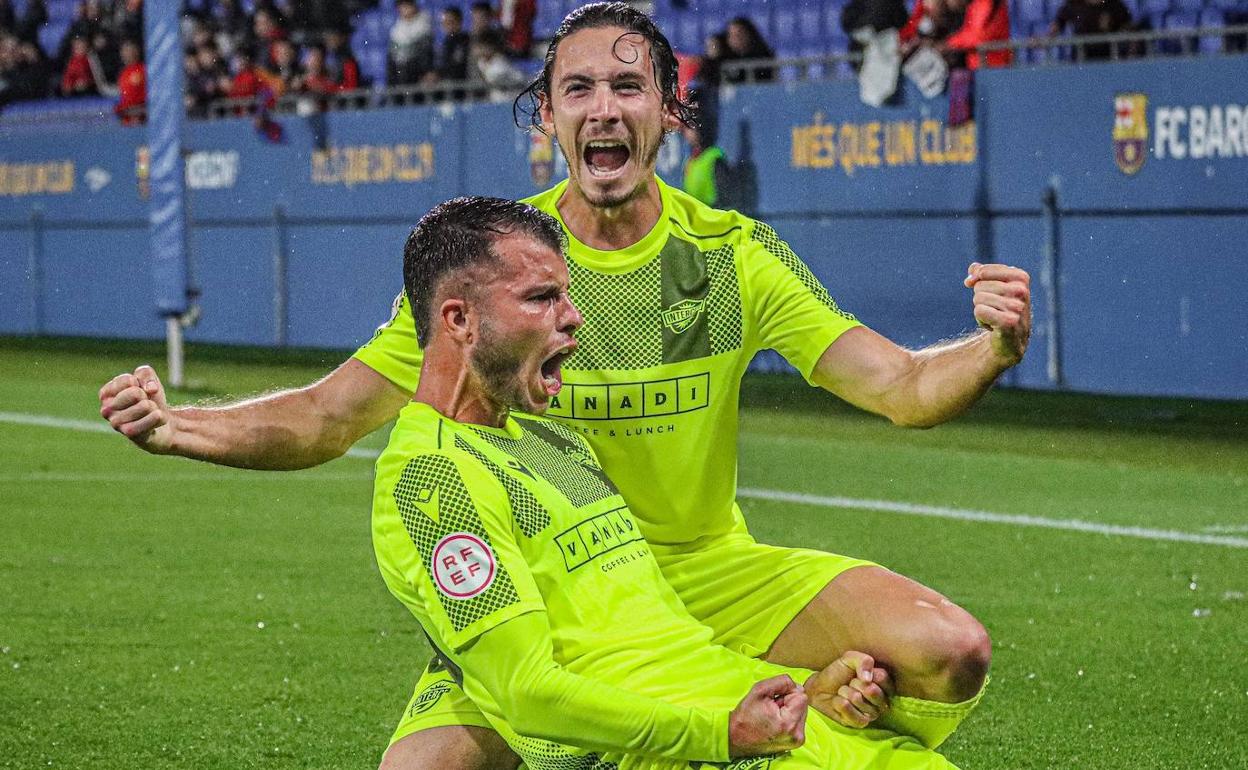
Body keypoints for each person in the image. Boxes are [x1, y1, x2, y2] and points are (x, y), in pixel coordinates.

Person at [100, 4, 1031, 769]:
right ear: (546, 117)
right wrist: (180, 426)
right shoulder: (502, 266)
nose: (603, 108)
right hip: (555, 592)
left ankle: (806, 723)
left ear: (672, 109)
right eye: (577, 88)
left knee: (952, 652)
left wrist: (989, 348)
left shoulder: (732, 260)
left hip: (712, 573)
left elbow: (903, 385)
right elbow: (329, 413)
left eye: (629, 85)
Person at [372, 194, 959, 770]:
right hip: (688, 751)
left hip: (756, 720)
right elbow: (526, 695)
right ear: (460, 320)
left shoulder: (554, 441)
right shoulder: (433, 479)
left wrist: (810, 692)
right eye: (542, 298)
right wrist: (718, 733)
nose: (573, 316)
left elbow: (662, 640)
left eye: (566, 296)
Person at [1048, 0, 1134, 61]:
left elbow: (1128, 27)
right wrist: (1046, 38)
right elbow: (1058, 24)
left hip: (1108, 56)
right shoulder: (1074, 3)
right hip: (1081, 56)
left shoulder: (1114, 4)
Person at [113, 38, 145, 125]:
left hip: (140, 123)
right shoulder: (122, 73)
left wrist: (136, 112)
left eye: (128, 50)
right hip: (126, 124)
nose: (125, 53)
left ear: (136, 51)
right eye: (123, 50)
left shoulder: (144, 70)